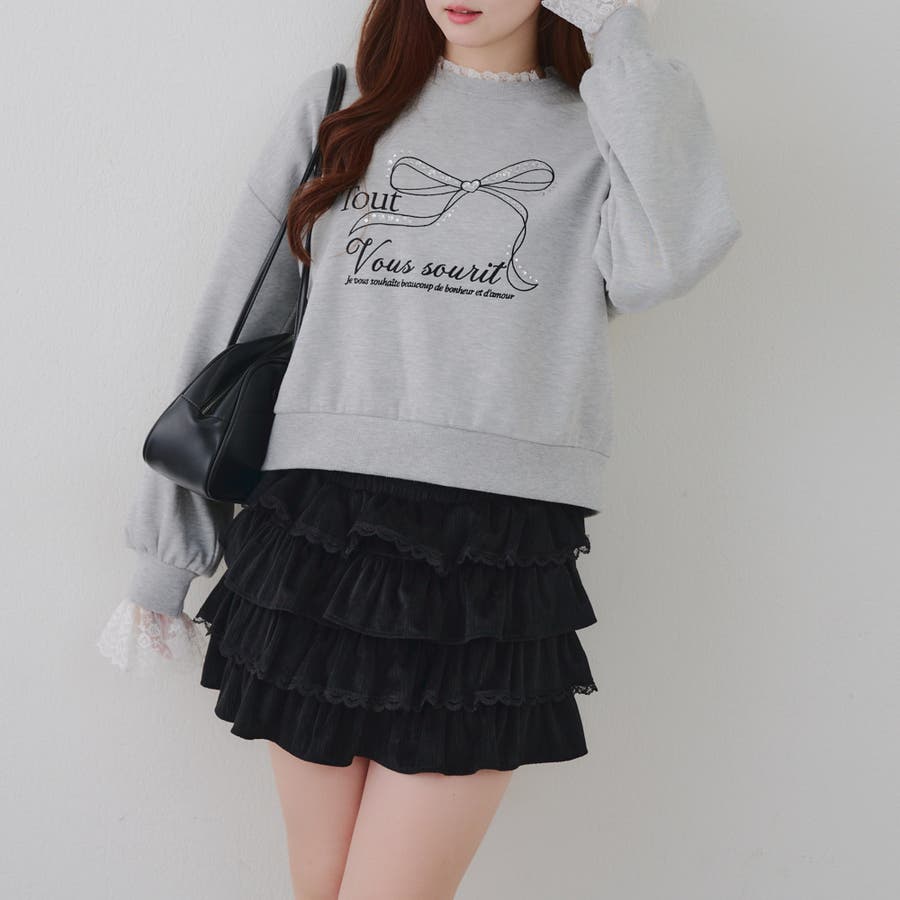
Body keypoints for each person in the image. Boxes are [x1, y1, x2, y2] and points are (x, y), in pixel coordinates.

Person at [97, 1, 742, 897]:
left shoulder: (609, 125)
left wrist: (618, 34)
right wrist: (163, 557)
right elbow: (236, 321)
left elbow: (668, 261)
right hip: (314, 532)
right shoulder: (342, 105)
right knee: (321, 883)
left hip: (492, 552)